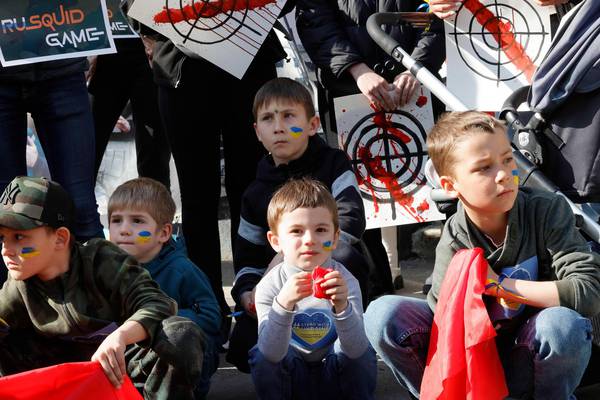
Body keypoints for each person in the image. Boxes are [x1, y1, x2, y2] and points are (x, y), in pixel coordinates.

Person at [364, 112, 600, 399]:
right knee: (381, 314)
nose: (503, 174)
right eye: (483, 168)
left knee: (563, 326)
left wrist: (499, 286)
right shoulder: (455, 238)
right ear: (451, 187)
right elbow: (446, 329)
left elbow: (588, 292)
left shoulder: (547, 211)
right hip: (474, 367)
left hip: (530, 356)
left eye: (508, 159)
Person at [0, 176, 204, 399]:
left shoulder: (101, 259)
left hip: (118, 371)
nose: (6, 250)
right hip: (61, 377)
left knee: (179, 334)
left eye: (19, 237)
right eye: (3, 238)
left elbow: (159, 303)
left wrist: (120, 337)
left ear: (60, 238)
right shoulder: (18, 284)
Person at [295, 0, 446, 298]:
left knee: (435, 182)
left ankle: (444, 278)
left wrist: (415, 66)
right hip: (345, 89)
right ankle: (374, 290)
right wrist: (356, 70)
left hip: (417, 85)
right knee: (359, 194)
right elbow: (314, 16)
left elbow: (433, 11)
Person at [227, 78, 369, 372]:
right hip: (281, 292)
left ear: (312, 124)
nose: (278, 127)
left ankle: (347, 339)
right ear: (257, 132)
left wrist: (286, 256)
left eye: (289, 116)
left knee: (344, 256)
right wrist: (247, 293)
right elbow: (247, 257)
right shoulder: (254, 193)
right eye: (267, 118)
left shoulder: (333, 163)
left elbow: (351, 218)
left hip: (332, 279)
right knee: (243, 350)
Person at [249, 178, 377, 399]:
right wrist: (283, 304)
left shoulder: (345, 281)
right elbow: (269, 354)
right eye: (297, 231)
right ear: (276, 241)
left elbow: (356, 352)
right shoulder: (269, 286)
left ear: (335, 238)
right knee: (259, 355)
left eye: (320, 230)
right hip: (291, 376)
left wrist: (343, 307)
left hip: (333, 372)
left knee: (365, 351)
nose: (309, 240)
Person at [107, 177, 221, 398]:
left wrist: (157, 319)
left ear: (164, 233)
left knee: (177, 334)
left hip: (176, 361)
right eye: (116, 220)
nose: (124, 230)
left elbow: (211, 316)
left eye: (137, 221)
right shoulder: (107, 267)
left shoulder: (182, 269)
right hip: (129, 357)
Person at [0, 57, 104, 285]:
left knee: (82, 208)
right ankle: (10, 312)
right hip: (51, 63)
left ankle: (103, 307)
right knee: (4, 211)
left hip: (60, 66)